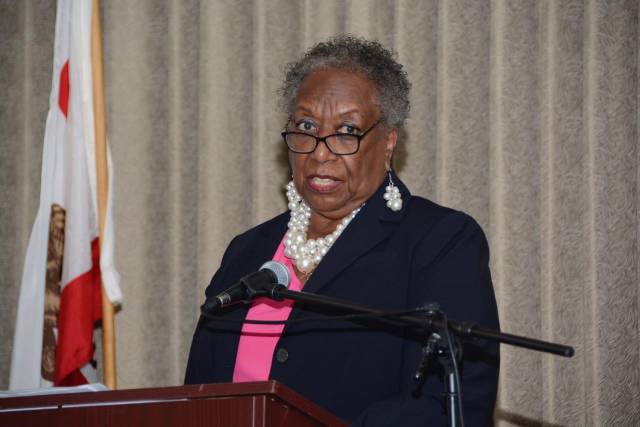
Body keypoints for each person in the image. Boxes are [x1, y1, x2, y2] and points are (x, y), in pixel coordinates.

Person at [185, 35, 499, 426]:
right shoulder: (247, 252)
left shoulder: (440, 242)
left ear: (387, 142)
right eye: (306, 126)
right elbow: (198, 395)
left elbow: (448, 405)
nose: (319, 151)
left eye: (346, 131)